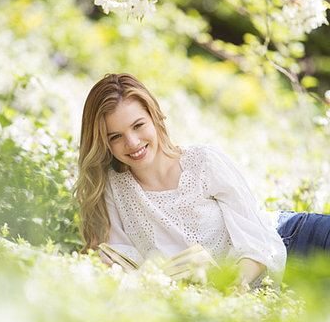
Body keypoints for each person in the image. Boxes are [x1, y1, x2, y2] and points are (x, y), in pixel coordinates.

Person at [74, 73, 330, 289]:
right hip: (253, 288)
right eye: (116, 136)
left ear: (154, 117)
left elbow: (257, 242)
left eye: (138, 125)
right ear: (103, 143)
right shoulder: (114, 189)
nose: (132, 142)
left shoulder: (204, 161)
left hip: (290, 238)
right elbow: (123, 263)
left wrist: (231, 292)